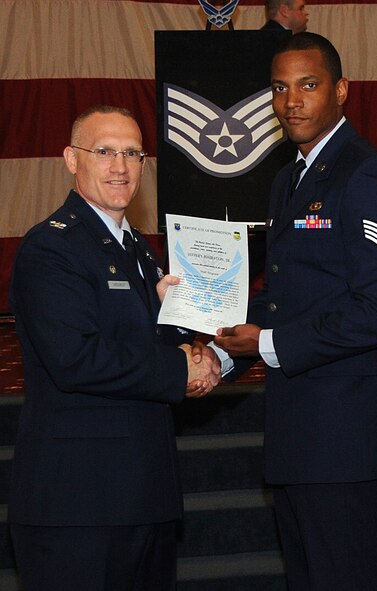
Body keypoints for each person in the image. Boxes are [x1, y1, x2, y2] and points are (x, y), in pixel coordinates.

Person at [213, 33, 377, 590]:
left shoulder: (366, 175)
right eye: (280, 88)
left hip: (344, 441)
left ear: (341, 90)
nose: (292, 101)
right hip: (297, 433)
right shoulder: (287, 179)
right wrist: (214, 330)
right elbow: (284, 296)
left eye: (308, 85)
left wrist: (267, 344)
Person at [8, 105, 222, 591]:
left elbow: (146, 340)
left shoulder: (139, 250)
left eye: (132, 153)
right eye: (103, 152)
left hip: (145, 496)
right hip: (79, 504)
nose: (120, 166)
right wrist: (178, 368)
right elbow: (75, 360)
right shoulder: (51, 249)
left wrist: (207, 350)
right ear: (70, 159)